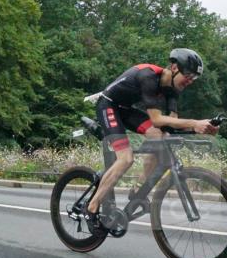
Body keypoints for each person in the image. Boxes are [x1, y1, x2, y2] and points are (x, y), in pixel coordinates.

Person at [83, 48, 217, 229]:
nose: (190, 81)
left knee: (162, 138)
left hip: (126, 109)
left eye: (194, 78)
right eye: (188, 75)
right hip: (108, 105)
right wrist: (194, 122)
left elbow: (171, 123)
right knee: (126, 158)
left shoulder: (173, 89)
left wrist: (203, 127)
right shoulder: (148, 76)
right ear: (174, 67)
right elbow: (156, 119)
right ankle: (91, 207)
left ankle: (137, 190)